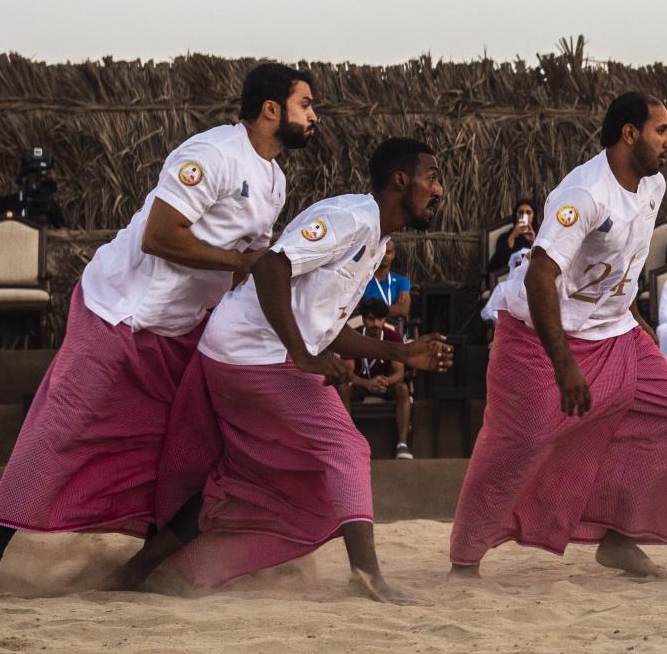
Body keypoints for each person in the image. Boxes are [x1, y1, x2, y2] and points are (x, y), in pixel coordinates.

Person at [0, 62, 315, 595]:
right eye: (306, 105)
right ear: (272, 110)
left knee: (184, 446)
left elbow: (247, 256)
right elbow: (159, 237)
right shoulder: (212, 155)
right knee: (62, 429)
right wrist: (238, 264)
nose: (314, 116)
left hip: (180, 328)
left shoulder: (275, 180)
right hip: (118, 310)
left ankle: (147, 566)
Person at [110, 138, 455, 601]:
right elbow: (272, 266)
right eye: (432, 178)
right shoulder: (349, 218)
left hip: (249, 354)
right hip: (254, 354)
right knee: (346, 447)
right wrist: (303, 355)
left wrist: (402, 353)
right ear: (400, 180)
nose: (440, 190)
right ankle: (368, 578)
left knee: (246, 479)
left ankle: (148, 572)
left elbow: (323, 326)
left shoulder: (377, 242)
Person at [449, 92, 667, 580]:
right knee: (521, 440)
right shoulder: (583, 195)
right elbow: (540, 277)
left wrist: (635, 319)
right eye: (661, 130)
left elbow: (625, 263)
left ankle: (620, 540)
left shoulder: (654, 185)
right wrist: (564, 366)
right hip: (540, 332)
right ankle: (466, 557)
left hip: (616, 329)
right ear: (630, 133)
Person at [344, 297, 413, 460]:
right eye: (371, 319)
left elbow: (399, 373)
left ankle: (402, 444)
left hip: (385, 384)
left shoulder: (394, 337)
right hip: (360, 383)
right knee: (344, 388)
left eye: (380, 319)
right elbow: (347, 373)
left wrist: (385, 381)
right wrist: (367, 383)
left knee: (402, 389)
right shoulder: (354, 336)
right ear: (363, 319)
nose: (376, 323)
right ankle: (346, 442)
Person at [363, 239, 412, 326]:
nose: (384, 255)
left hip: (393, 328)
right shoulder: (363, 280)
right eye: (381, 251)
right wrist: (391, 310)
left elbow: (402, 310)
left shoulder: (401, 281)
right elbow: (355, 308)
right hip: (368, 328)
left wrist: (370, 311)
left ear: (393, 254)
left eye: (388, 252)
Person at [486, 197, 537, 275]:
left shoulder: (541, 235)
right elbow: (494, 267)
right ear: (516, 216)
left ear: (533, 216)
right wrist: (511, 238)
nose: (524, 216)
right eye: (521, 212)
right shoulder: (504, 237)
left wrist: (533, 242)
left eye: (528, 212)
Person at [482, 249, 530, 326]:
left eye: (524, 265)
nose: (520, 268)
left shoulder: (536, 289)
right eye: (518, 265)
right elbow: (490, 311)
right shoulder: (503, 287)